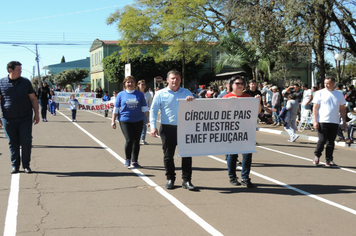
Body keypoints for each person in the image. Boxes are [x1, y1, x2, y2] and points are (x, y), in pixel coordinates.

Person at [150, 70, 197, 191]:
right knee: (168, 155)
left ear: (180, 80)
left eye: (177, 78)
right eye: (172, 78)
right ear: (167, 80)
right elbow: (153, 110)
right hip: (167, 128)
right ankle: (170, 178)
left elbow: (197, 109)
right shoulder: (160, 94)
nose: (174, 81)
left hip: (184, 128)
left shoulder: (187, 93)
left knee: (187, 155)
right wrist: (153, 126)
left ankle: (186, 180)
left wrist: (192, 102)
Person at [0, 61, 40, 174]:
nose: (21, 71)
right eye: (18, 69)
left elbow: (33, 98)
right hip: (8, 118)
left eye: (21, 69)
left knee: (26, 140)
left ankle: (26, 165)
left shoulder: (25, 82)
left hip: (25, 117)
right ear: (10, 70)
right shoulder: (1, 83)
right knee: (13, 142)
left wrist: (37, 113)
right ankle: (15, 165)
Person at [222, 75, 261, 188]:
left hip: (247, 129)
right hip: (232, 129)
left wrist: (258, 101)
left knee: (247, 154)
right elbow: (220, 114)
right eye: (237, 83)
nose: (239, 85)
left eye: (241, 84)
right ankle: (232, 176)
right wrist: (228, 102)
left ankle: (245, 177)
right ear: (231, 85)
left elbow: (257, 111)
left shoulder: (248, 96)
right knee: (232, 154)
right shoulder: (226, 97)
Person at [112, 76, 149, 169]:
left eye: (132, 82)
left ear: (135, 83)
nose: (130, 84)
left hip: (138, 120)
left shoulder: (139, 94)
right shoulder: (121, 94)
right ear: (124, 83)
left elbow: (144, 107)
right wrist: (113, 121)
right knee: (129, 139)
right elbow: (116, 109)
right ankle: (127, 159)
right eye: (128, 82)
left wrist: (149, 118)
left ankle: (135, 161)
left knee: (136, 141)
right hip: (125, 120)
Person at [312, 76, 347, 167]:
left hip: (334, 121)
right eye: (325, 83)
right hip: (322, 121)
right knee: (322, 140)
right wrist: (315, 121)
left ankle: (329, 160)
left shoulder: (339, 94)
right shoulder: (320, 93)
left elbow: (342, 109)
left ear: (333, 83)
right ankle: (317, 156)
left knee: (331, 142)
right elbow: (315, 108)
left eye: (328, 83)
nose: (326, 85)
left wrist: (344, 121)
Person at [137, 80, 152, 145]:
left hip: (145, 112)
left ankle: (142, 139)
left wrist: (150, 113)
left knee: (144, 126)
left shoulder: (148, 94)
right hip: (136, 112)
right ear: (138, 85)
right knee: (136, 126)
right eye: (141, 84)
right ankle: (136, 139)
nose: (142, 85)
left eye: (143, 84)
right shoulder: (136, 93)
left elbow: (150, 104)